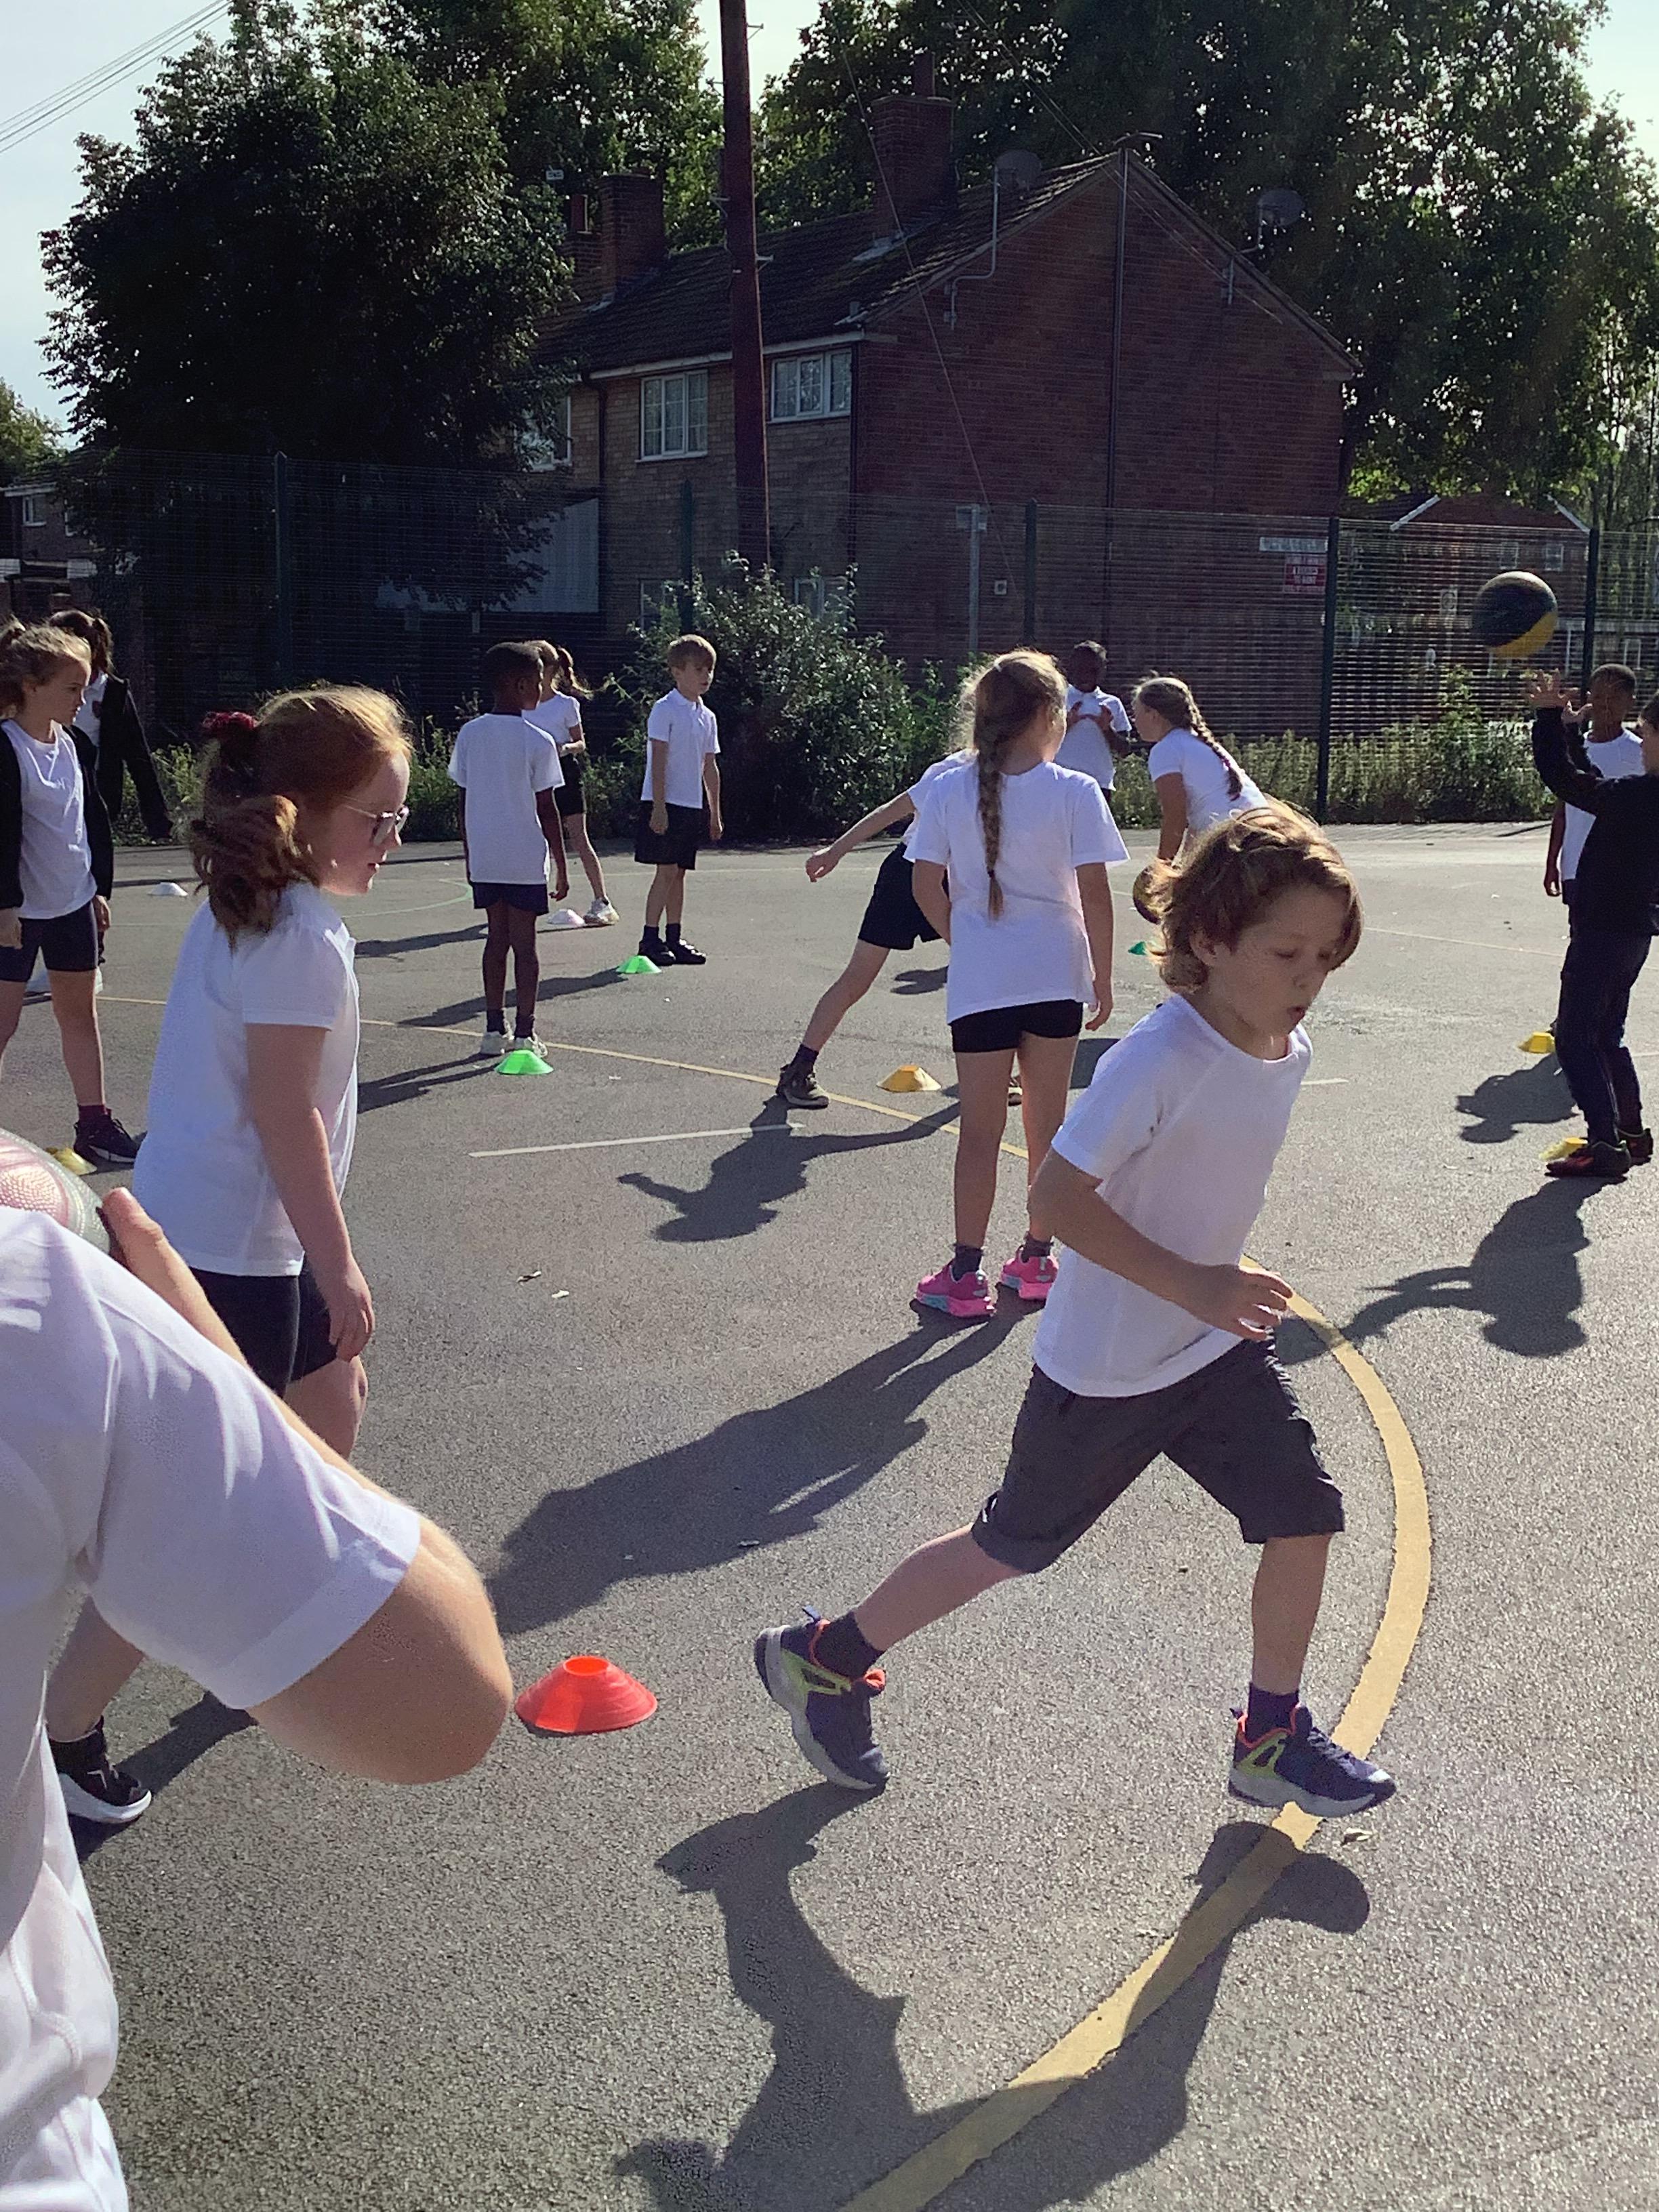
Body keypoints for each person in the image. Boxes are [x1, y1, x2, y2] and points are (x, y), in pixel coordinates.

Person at [756, 806, 1398, 1822]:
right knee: (1010, 1546)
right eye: (1287, 953)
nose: (1309, 975)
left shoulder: (1289, 1048)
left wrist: (1213, 1288)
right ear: (1210, 940)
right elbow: (1054, 1200)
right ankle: (825, 1656)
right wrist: (1199, 1284)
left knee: (1304, 1515)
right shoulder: (1161, 1057)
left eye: (1327, 954)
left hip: (1208, 1352)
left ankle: (1270, 1738)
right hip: (1105, 1371)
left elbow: (1194, 1188)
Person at [2, 1187, 512, 2211]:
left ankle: (81, 1723)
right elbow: (443, 1701)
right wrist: (216, 1359)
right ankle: (84, 1722)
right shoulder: (32, 1289)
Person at [47, 688, 414, 1828]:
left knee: (333, 1402)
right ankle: (63, 1729)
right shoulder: (296, 933)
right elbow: (282, 1113)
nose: (392, 840)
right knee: (190, 1513)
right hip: (231, 1254)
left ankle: (248, 1638)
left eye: (400, 819)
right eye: (378, 820)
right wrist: (339, 1264)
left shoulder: (257, 904)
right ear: (303, 813)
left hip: (238, 1237)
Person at [905, 650, 1124, 1317]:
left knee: (978, 1132)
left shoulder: (947, 788)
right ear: (1050, 716)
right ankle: (1036, 1257)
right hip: (1056, 972)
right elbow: (1096, 896)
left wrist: (968, 941)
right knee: (1047, 1126)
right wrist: (1102, 976)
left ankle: (964, 1273)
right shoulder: (1076, 791)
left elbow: (924, 885)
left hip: (983, 981)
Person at [0, 622, 140, 1167]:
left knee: (80, 1015)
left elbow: (90, 821)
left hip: (73, 903)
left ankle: (95, 1125)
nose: (82, 699)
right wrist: (4, 905)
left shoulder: (75, 744)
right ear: (31, 686)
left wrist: (98, 889)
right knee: (4, 1022)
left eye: (84, 687)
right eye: (72, 688)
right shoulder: (6, 748)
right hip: (17, 911)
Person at [775, 746, 971, 1110]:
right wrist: (835, 851)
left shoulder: (1018, 773)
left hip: (959, 879)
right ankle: (799, 1070)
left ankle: (993, 1072)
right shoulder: (953, 769)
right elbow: (892, 810)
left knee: (980, 973)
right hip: (908, 873)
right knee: (858, 977)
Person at [1528, 669, 1659, 1178]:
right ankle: (1633, 1132)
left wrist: (1546, 720)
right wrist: (1568, 733)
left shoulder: (1641, 796)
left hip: (1603, 929)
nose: (1643, 743)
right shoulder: (1640, 795)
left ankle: (1604, 1143)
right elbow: (1595, 785)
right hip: (1634, 932)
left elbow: (1565, 782)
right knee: (1608, 1035)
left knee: (1575, 1037)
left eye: (1648, 733)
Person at [449, 640, 569, 1055]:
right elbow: (547, 809)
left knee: (495, 940)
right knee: (525, 946)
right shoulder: (538, 741)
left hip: (486, 856)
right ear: (520, 685)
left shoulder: (470, 734)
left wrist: (470, 855)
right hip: (523, 857)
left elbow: (463, 801)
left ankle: (492, 1029)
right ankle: (524, 1033)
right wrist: (562, 864)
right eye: (537, 681)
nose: (540, 689)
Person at [636, 634, 722, 968]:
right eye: (698, 669)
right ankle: (649, 938)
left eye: (709, 670)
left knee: (680, 872)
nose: (706, 676)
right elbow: (658, 760)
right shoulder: (665, 709)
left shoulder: (707, 716)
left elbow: (709, 766)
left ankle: (674, 937)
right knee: (666, 870)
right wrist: (658, 807)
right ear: (677, 672)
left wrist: (714, 813)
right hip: (665, 802)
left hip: (691, 805)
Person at [56, 611, 173, 843]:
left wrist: (158, 822)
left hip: (97, 797)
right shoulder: (43, 689)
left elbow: (138, 757)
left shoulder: (113, 693)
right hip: (54, 794)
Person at [526, 639, 619, 926]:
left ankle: (602, 901)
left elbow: (580, 742)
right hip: (532, 774)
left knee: (579, 837)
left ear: (551, 670)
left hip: (565, 772)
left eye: (536, 668)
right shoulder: (522, 705)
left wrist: (564, 748)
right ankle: (526, 901)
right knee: (533, 838)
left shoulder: (566, 704)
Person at [1133, 674, 1267, 863]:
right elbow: (1197, 824)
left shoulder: (1165, 749)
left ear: (1153, 715)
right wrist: (1184, 868)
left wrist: (1161, 866)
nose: (1134, 720)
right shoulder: (1200, 743)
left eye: (1136, 713)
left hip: (1235, 840)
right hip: (1265, 827)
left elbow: (1175, 817)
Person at [1542, 663, 1643, 909]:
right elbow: (1563, 809)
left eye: (1615, 697)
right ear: (1589, 699)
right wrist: (1552, 861)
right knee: (1581, 930)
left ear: (1630, 702)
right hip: (1575, 867)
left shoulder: (1642, 752)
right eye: (1599, 696)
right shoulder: (1574, 747)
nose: (1605, 704)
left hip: (1624, 872)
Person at [1056, 639, 1133, 793]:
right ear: (1071, 668)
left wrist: (1107, 729)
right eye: (1080, 669)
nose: (1086, 676)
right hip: (1060, 780)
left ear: (1103, 669)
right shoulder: (1058, 699)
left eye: (1093, 670)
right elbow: (1040, 740)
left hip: (1100, 783)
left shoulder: (1112, 703)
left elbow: (1125, 749)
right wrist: (1066, 724)